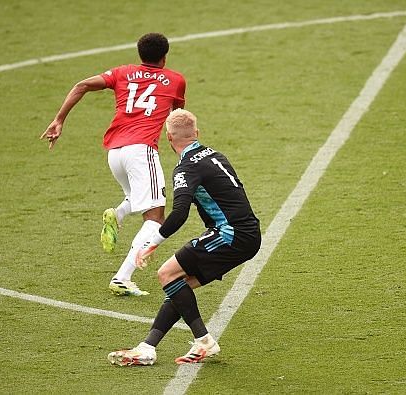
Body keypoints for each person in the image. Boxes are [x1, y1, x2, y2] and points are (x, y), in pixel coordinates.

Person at [107, 109, 261, 365]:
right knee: (179, 286)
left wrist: (151, 245)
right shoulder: (215, 155)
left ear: (169, 138)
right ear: (196, 133)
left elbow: (179, 214)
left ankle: (204, 341)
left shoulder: (186, 168)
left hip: (230, 234)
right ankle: (147, 347)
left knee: (166, 274)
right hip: (246, 233)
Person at [40, 33, 186, 296]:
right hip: (142, 150)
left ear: (139, 54)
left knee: (136, 197)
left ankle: (117, 215)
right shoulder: (175, 80)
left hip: (115, 152)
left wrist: (59, 120)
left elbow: (81, 85)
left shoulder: (122, 73)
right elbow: (176, 121)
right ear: (165, 56)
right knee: (155, 218)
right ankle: (123, 277)